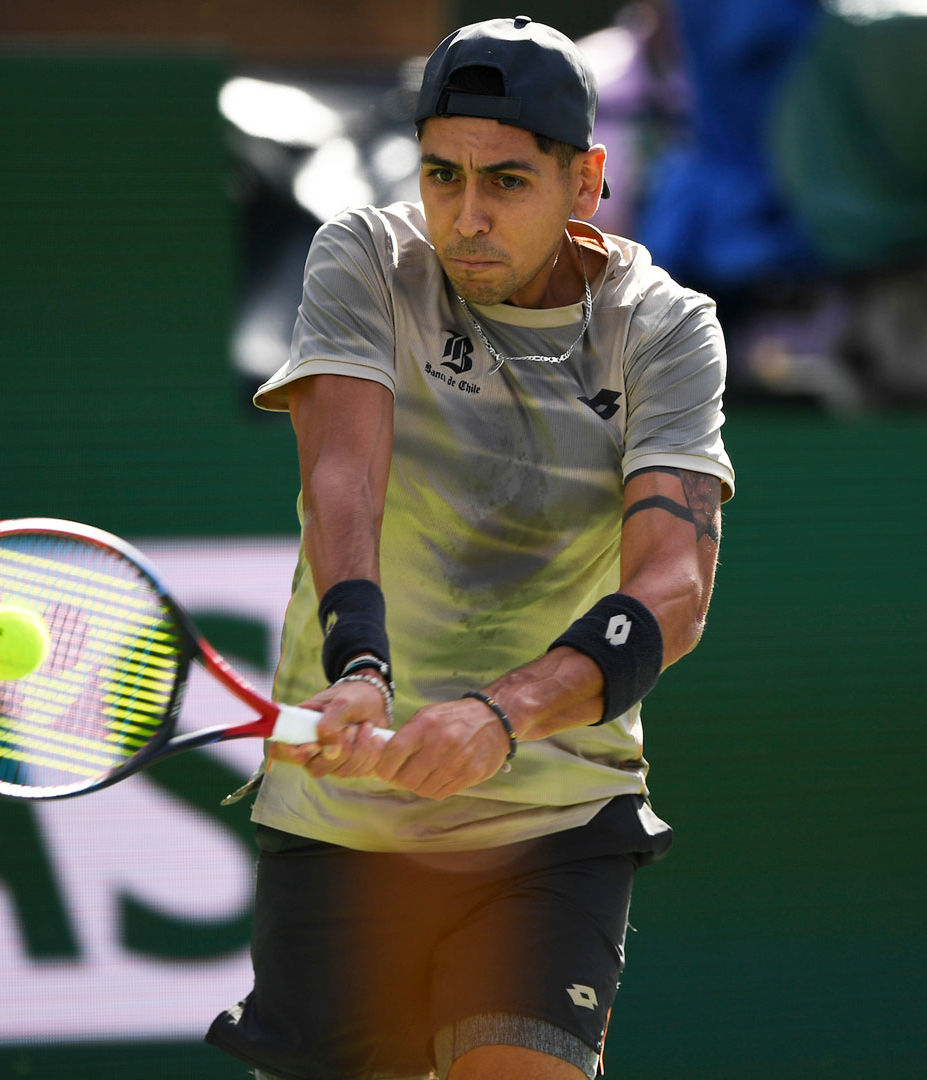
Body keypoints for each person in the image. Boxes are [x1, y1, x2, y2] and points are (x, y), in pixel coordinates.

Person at [207, 15, 734, 1080]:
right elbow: (345, 475)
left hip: (553, 819)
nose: (467, 215)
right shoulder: (364, 256)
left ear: (586, 182)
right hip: (342, 829)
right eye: (443, 176)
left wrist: (501, 717)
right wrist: (360, 665)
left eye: (506, 183)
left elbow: (672, 591)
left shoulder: (666, 328)